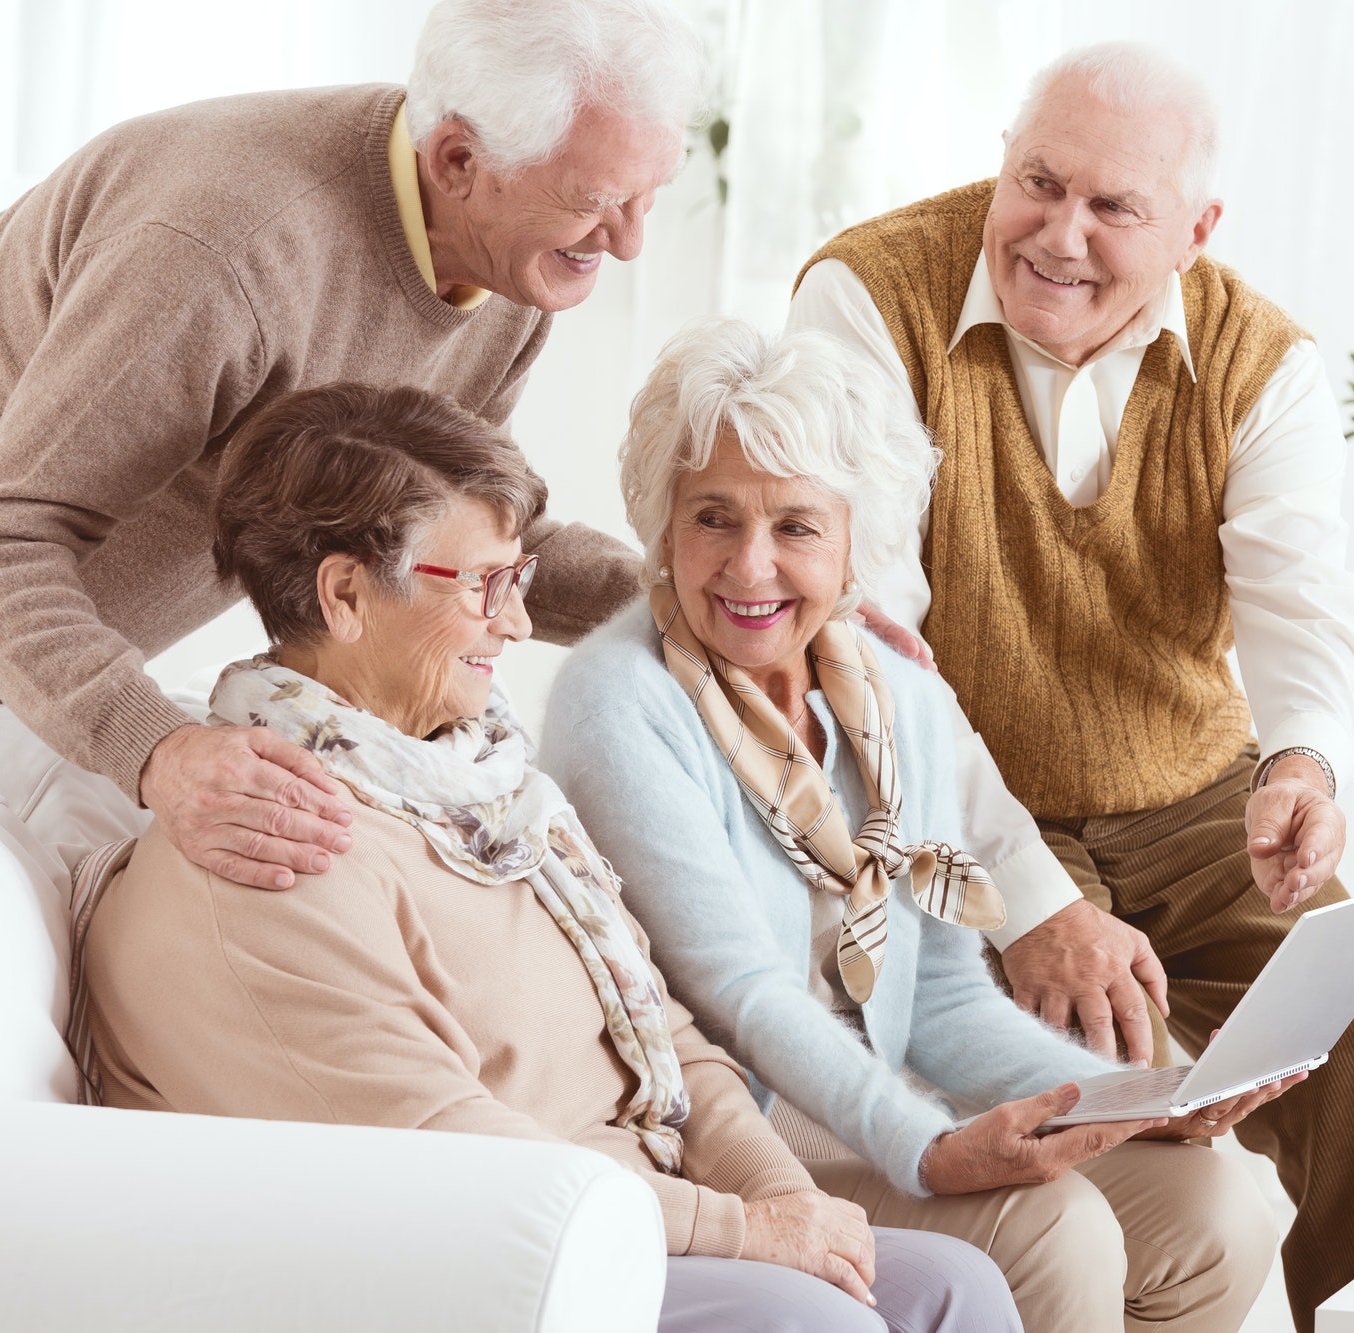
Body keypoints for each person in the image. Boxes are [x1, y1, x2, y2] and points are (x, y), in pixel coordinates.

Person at [78, 382, 1021, 1333]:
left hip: (620, 1209)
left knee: (954, 1287)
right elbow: (458, 1162)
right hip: (474, 1263)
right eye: (486, 585)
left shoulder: (483, 787)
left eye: (519, 579)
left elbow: (665, 1030)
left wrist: (789, 1203)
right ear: (348, 594)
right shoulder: (270, 856)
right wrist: (742, 1231)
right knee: (810, 1323)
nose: (521, 625)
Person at [784, 41, 1354, 1331]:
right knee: (1110, 1059)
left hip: (1192, 800)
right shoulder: (867, 298)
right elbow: (864, 646)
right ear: (1002, 160)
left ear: (1195, 229)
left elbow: (1300, 600)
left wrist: (1301, 762)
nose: (1057, 234)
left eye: (1113, 209)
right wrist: (1030, 899)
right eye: (1037, 182)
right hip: (969, 806)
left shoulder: (1262, 361)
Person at [541, 318, 1295, 1333]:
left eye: (796, 526)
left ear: (857, 539)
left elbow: (939, 993)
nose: (748, 566)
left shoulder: (896, 699)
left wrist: (1134, 1099)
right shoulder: (616, 700)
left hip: (870, 1092)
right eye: (712, 518)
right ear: (661, 524)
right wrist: (928, 1150)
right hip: (734, 1135)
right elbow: (738, 997)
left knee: (1218, 1209)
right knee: (1054, 1227)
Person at [0, 0, 700, 894]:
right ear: (461, 161)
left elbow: (473, 538)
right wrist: (157, 749)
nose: (630, 243)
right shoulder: (223, 256)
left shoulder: (507, 261)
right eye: (596, 203)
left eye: (649, 196)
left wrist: (693, 607)